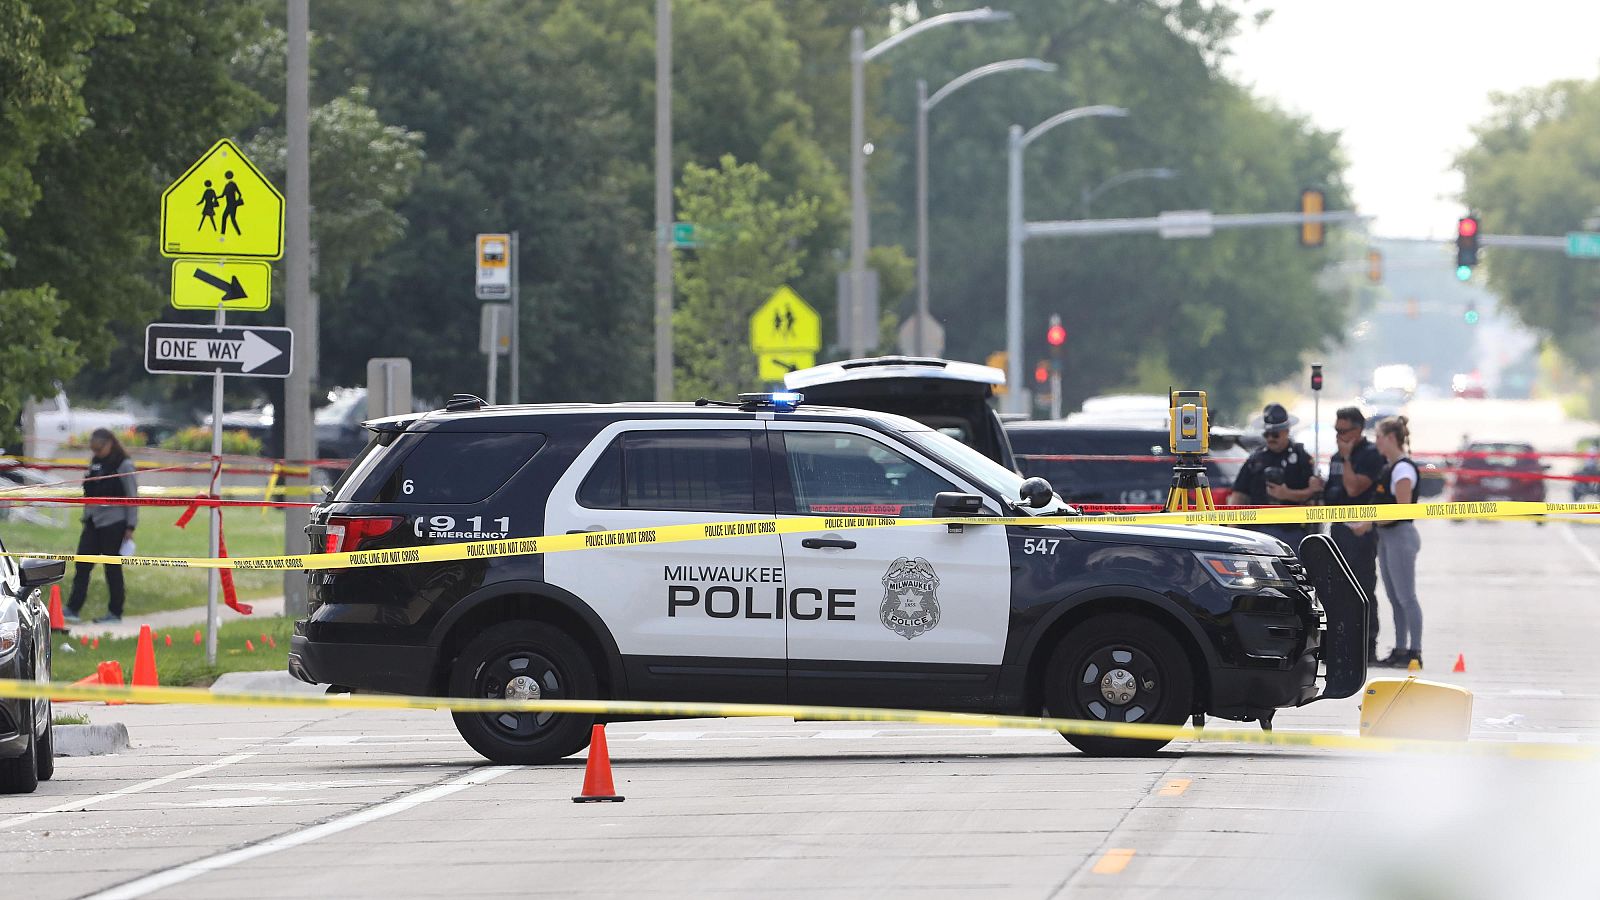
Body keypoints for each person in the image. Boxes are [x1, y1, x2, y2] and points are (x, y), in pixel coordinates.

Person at [1323, 406, 1387, 662]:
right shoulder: (1336, 457)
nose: (1339, 436)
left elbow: (1353, 489)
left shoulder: (1370, 455)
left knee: (1362, 589)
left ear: (1358, 430)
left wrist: (1348, 458)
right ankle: (1340, 646)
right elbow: (1334, 490)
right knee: (1337, 590)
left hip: (1360, 532)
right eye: (1336, 430)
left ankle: (1367, 647)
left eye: (1344, 431)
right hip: (1338, 529)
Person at [63, 428, 138, 625]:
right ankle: (72, 608)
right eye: (93, 449)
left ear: (110, 443)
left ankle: (115, 612)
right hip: (92, 522)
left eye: (99, 448)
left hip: (114, 523)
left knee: (112, 569)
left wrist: (130, 526)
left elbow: (132, 497)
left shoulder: (124, 465)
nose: (96, 453)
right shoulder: (95, 463)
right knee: (82, 566)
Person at [1365, 416, 1422, 668]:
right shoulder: (1388, 467)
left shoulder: (1402, 469)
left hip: (1401, 536)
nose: (1376, 442)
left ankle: (1415, 651)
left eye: (1378, 436)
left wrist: (1370, 522)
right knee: (1394, 597)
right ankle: (1400, 648)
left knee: (1407, 597)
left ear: (1390, 438)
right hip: (1387, 538)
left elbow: (1401, 509)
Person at [1233, 403, 1320, 549]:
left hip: (1291, 532)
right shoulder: (1255, 458)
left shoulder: (1301, 458)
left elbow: (1313, 495)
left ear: (1286, 431)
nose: (1270, 438)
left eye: (1275, 434)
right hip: (1258, 531)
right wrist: (1233, 529)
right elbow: (1239, 494)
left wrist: (1287, 494)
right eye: (1267, 434)